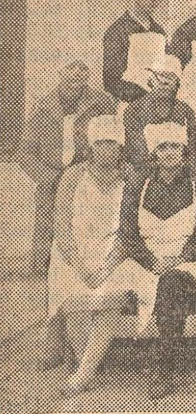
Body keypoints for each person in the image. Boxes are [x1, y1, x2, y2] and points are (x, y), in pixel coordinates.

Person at [116, 122, 196, 399]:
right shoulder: (138, 186)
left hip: (187, 261)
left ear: (183, 151)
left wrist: (181, 257)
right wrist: (150, 261)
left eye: (174, 146)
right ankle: (166, 362)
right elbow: (128, 233)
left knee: (172, 282)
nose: (169, 152)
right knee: (160, 282)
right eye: (162, 147)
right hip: (146, 262)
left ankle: (165, 368)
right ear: (154, 153)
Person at [45, 115, 139, 395]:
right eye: (100, 143)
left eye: (112, 143)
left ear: (121, 147)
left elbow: (130, 229)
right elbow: (61, 224)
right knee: (74, 297)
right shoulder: (73, 176)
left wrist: (108, 265)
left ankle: (83, 374)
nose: (106, 149)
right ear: (90, 146)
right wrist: (79, 264)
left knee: (111, 296)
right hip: (73, 250)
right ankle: (89, 366)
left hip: (114, 252)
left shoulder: (130, 177)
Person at [18, 61, 116, 275]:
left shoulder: (102, 102)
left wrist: (97, 172)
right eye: (71, 68)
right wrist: (49, 177)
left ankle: (92, 267)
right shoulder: (43, 106)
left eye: (83, 68)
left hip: (89, 176)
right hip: (52, 178)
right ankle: (43, 269)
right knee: (47, 226)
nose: (77, 73)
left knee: (94, 223)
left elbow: (113, 139)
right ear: (60, 71)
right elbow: (24, 153)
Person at [102, 0, 167, 105]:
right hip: (129, 105)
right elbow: (111, 82)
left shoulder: (159, 32)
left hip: (159, 104)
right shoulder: (118, 31)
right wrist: (143, 97)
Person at [122, 55, 196, 169]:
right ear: (150, 80)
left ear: (177, 82)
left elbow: (192, 152)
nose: (163, 81)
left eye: (170, 77)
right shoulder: (134, 110)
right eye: (159, 76)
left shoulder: (186, 111)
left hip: (178, 171)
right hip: (144, 170)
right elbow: (136, 151)